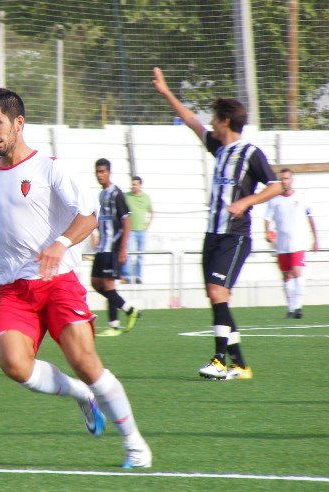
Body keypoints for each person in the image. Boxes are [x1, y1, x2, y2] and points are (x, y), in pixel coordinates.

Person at [0, 87, 152, 469]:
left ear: (18, 122)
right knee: (14, 364)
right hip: (14, 292)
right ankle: (80, 395)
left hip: (59, 283)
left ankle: (135, 445)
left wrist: (60, 243)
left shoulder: (50, 168)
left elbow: (88, 216)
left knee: (87, 363)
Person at [152, 67, 283, 381]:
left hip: (234, 236)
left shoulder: (250, 153)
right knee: (217, 297)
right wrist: (167, 92)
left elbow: (276, 185)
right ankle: (240, 365)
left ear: (225, 120)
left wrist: (246, 201)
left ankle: (219, 360)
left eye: (214, 118)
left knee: (216, 292)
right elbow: (191, 121)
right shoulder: (219, 148)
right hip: (212, 235)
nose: (210, 122)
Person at [91, 158, 140, 337]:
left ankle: (114, 325)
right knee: (95, 282)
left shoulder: (116, 193)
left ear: (109, 173)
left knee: (108, 285)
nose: (100, 175)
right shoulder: (101, 195)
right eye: (97, 172)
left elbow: (126, 221)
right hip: (102, 247)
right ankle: (129, 310)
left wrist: (123, 248)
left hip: (113, 247)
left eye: (103, 172)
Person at [264, 168, 318, 319]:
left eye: (287, 178)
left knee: (296, 271)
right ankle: (290, 308)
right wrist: (267, 232)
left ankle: (298, 307)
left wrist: (315, 239)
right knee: (286, 275)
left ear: (292, 180)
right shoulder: (274, 200)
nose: (285, 181)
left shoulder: (301, 198)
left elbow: (310, 218)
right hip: (281, 243)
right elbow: (267, 219)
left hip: (298, 242)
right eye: (282, 179)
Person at [120, 176, 154, 284]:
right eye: (132, 184)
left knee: (140, 255)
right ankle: (127, 277)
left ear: (140, 185)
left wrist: (147, 225)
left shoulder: (146, 197)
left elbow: (152, 212)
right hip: (130, 230)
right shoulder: (127, 196)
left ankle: (138, 276)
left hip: (141, 231)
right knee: (128, 253)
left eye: (135, 184)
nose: (133, 186)